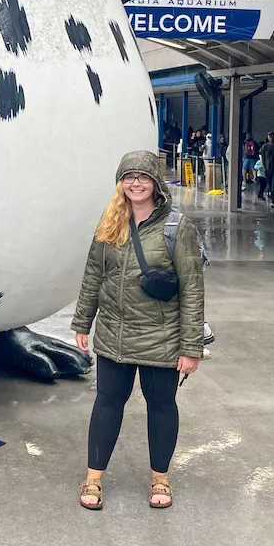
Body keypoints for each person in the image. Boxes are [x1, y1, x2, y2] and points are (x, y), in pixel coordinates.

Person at [72, 151, 205, 511]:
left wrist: (190, 347)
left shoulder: (177, 227)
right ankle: (93, 479)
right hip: (114, 334)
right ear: (121, 183)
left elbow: (192, 288)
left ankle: (160, 477)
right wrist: (83, 321)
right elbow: (93, 276)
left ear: (156, 183)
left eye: (143, 177)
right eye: (129, 177)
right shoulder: (110, 222)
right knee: (106, 404)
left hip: (160, 337)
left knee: (161, 405)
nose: (135, 183)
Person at [261, 132, 274, 205]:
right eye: (270, 136)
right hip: (268, 168)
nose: (271, 138)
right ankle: (273, 196)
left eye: (272, 136)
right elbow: (262, 157)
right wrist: (264, 167)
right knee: (270, 184)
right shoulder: (265, 147)